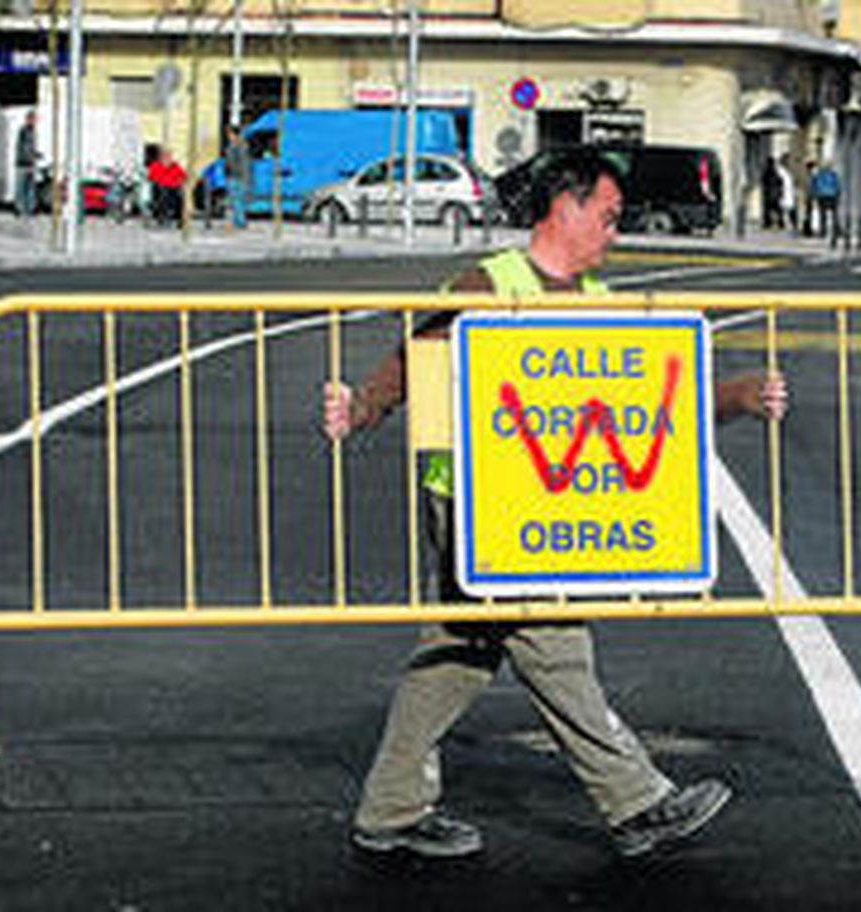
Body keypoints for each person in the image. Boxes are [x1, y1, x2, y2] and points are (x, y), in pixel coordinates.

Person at [322, 147, 789, 861]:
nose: (615, 233)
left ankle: (391, 808)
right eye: (608, 216)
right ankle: (636, 803)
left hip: (542, 505)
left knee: (461, 648)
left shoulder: (598, 300)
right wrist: (361, 409)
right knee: (552, 636)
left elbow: (649, 399)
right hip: (476, 499)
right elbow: (415, 360)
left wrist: (738, 396)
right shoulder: (488, 283)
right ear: (564, 207)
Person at [148, 147, 187, 227]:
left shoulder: (176, 166)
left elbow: (184, 176)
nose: (167, 159)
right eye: (165, 156)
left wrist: (180, 181)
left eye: (169, 156)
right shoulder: (155, 165)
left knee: (180, 197)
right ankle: (164, 214)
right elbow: (151, 177)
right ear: (161, 158)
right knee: (164, 194)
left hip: (174, 187)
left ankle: (178, 217)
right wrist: (158, 181)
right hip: (160, 187)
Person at [224, 125, 251, 230]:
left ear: (235, 135)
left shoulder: (240, 146)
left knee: (237, 200)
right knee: (236, 200)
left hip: (237, 176)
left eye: (230, 134)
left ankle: (241, 222)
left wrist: (243, 177)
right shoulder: (235, 146)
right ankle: (237, 221)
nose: (229, 136)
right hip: (234, 176)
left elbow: (242, 163)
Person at [811, 160, 841, 247]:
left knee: (823, 214)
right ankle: (836, 230)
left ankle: (823, 231)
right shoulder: (833, 174)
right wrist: (838, 193)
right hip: (832, 195)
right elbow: (837, 184)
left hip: (822, 196)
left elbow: (815, 185)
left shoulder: (818, 175)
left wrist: (815, 194)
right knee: (835, 214)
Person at [15, 111, 39, 218]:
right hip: (22, 163)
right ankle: (20, 208)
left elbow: (31, 147)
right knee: (22, 187)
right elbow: (23, 147)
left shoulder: (33, 131)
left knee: (30, 187)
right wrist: (31, 155)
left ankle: (30, 209)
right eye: (33, 119)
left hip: (30, 163)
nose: (35, 121)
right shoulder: (23, 131)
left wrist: (36, 154)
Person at [760, 156, 783, 229]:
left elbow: (763, 181)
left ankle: (768, 223)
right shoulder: (775, 171)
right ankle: (780, 222)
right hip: (775, 193)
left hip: (769, 193)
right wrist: (780, 191)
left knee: (768, 209)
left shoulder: (767, 171)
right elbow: (780, 181)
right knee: (777, 209)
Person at [777, 152, 797, 232]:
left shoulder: (789, 170)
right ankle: (782, 224)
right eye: (787, 160)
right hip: (783, 192)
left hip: (789, 192)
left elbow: (792, 182)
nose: (788, 162)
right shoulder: (779, 170)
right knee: (783, 209)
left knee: (790, 209)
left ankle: (793, 224)